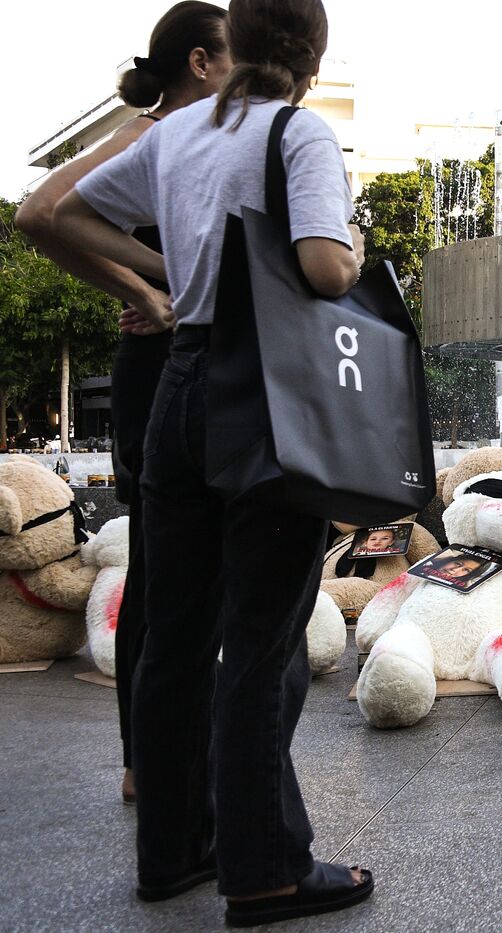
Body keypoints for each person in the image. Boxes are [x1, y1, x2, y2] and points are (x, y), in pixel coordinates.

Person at [51, 0, 372, 922]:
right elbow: (319, 267)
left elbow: (65, 214)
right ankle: (265, 865)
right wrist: (349, 251)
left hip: (183, 385)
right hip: (268, 391)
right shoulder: (300, 133)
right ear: (312, 52)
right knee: (261, 639)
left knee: (176, 634)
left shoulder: (181, 128)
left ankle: (170, 852)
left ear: (237, 39)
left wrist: (157, 285)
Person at [17, 1, 231, 809]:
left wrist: (150, 280)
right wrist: (154, 282)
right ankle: (146, 759)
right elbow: (40, 212)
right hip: (162, 366)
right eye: (234, 56)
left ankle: (161, 755)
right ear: (201, 65)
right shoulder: (154, 133)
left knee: (172, 566)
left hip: (172, 357)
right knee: (163, 568)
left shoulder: (200, 140)